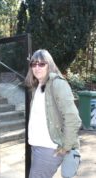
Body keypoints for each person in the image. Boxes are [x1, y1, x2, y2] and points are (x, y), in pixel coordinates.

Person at [25, 49, 82, 178]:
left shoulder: (57, 84)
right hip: (38, 146)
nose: (37, 67)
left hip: (49, 148)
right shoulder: (37, 87)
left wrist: (66, 147)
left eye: (41, 64)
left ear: (49, 65)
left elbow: (73, 118)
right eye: (33, 64)